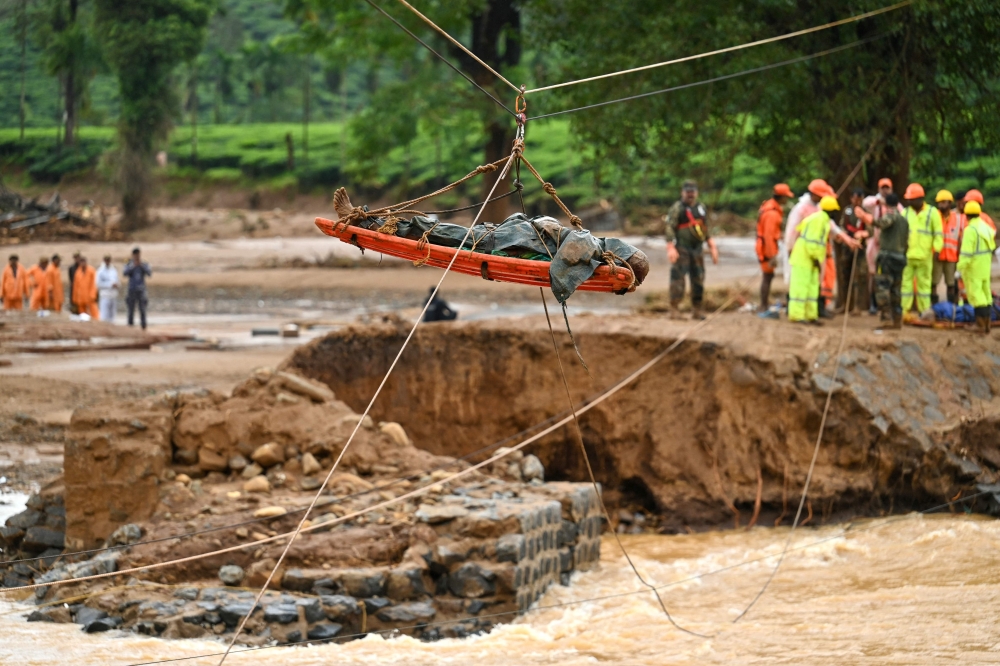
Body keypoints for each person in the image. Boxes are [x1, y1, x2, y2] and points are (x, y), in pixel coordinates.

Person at [665, 180, 719, 320]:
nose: (690, 195)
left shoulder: (701, 208)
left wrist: (712, 246)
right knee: (678, 279)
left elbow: (705, 227)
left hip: (697, 249)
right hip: (682, 248)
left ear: (696, 193)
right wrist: (670, 247)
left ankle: (697, 309)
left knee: (698, 278)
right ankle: (674, 309)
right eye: (687, 192)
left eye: (692, 192)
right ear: (683, 192)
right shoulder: (677, 208)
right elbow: (670, 226)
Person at [788, 196, 841, 325]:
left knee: (812, 288)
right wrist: (816, 258)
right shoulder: (818, 220)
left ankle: (811, 315)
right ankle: (797, 315)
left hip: (812, 259)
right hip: (804, 258)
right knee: (800, 287)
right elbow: (811, 242)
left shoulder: (822, 219)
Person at [901, 183, 943, 318]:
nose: (909, 202)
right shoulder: (905, 213)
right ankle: (904, 310)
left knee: (924, 286)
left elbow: (938, 233)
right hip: (908, 256)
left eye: (911, 199)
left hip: (925, 256)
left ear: (920, 199)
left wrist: (937, 249)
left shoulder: (932, 213)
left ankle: (924, 311)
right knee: (905, 285)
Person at [956, 200, 996, 334]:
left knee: (977, 296)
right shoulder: (985, 227)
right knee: (986, 294)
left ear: (966, 215)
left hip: (974, 267)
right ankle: (987, 324)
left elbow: (966, 253)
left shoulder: (970, 230)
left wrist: (960, 269)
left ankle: (979, 325)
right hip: (985, 265)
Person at [872, 193, 909, 329]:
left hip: (887, 257)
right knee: (896, 290)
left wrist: (868, 219)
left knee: (882, 287)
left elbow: (882, 223)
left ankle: (886, 319)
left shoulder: (890, 215)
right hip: (900, 257)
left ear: (886, 204)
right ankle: (897, 319)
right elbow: (906, 241)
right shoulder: (904, 221)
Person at [862, 178, 899, 313]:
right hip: (875, 242)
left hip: (889, 245)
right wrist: (880, 202)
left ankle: (886, 304)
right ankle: (873, 303)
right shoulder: (874, 202)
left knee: (888, 274)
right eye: (883, 188)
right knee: (873, 273)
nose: (885, 190)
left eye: (887, 188)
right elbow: (865, 203)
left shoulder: (896, 206)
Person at [756, 184, 793, 316]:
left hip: (766, 245)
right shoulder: (772, 213)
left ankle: (763, 305)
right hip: (766, 247)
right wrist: (772, 256)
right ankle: (763, 306)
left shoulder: (771, 208)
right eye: (786, 197)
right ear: (781, 197)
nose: (787, 200)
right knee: (767, 276)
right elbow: (768, 235)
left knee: (768, 276)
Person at [835, 188, 871, 313]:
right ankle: (846, 304)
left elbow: (871, 230)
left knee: (859, 276)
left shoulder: (866, 212)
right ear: (851, 198)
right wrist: (845, 237)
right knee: (845, 275)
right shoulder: (847, 211)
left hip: (860, 248)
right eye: (855, 198)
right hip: (847, 247)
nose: (857, 201)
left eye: (860, 199)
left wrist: (863, 235)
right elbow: (841, 226)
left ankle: (858, 306)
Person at [933, 190, 962, 305]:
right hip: (937, 255)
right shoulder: (934, 216)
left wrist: (959, 255)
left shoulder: (957, 218)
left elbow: (959, 238)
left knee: (951, 283)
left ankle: (951, 307)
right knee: (933, 283)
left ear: (950, 203)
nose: (941, 205)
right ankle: (934, 306)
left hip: (951, 256)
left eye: (944, 202)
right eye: (939, 202)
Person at [124, 247, 152, 329]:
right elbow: (125, 273)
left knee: (142, 309)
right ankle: (130, 327)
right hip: (132, 289)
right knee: (131, 309)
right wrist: (133, 266)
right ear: (133, 255)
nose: (137, 256)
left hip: (141, 289)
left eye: (138, 255)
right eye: (135, 255)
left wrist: (141, 266)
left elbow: (149, 273)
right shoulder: (129, 263)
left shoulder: (144, 263)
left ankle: (143, 327)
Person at [96, 254, 120, 322]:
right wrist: (110, 285)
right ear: (104, 260)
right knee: (104, 316)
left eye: (108, 259)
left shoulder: (113, 270)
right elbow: (98, 284)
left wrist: (117, 284)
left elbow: (117, 280)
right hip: (105, 296)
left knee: (112, 316)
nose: (107, 261)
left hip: (113, 295)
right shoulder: (100, 271)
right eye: (106, 260)